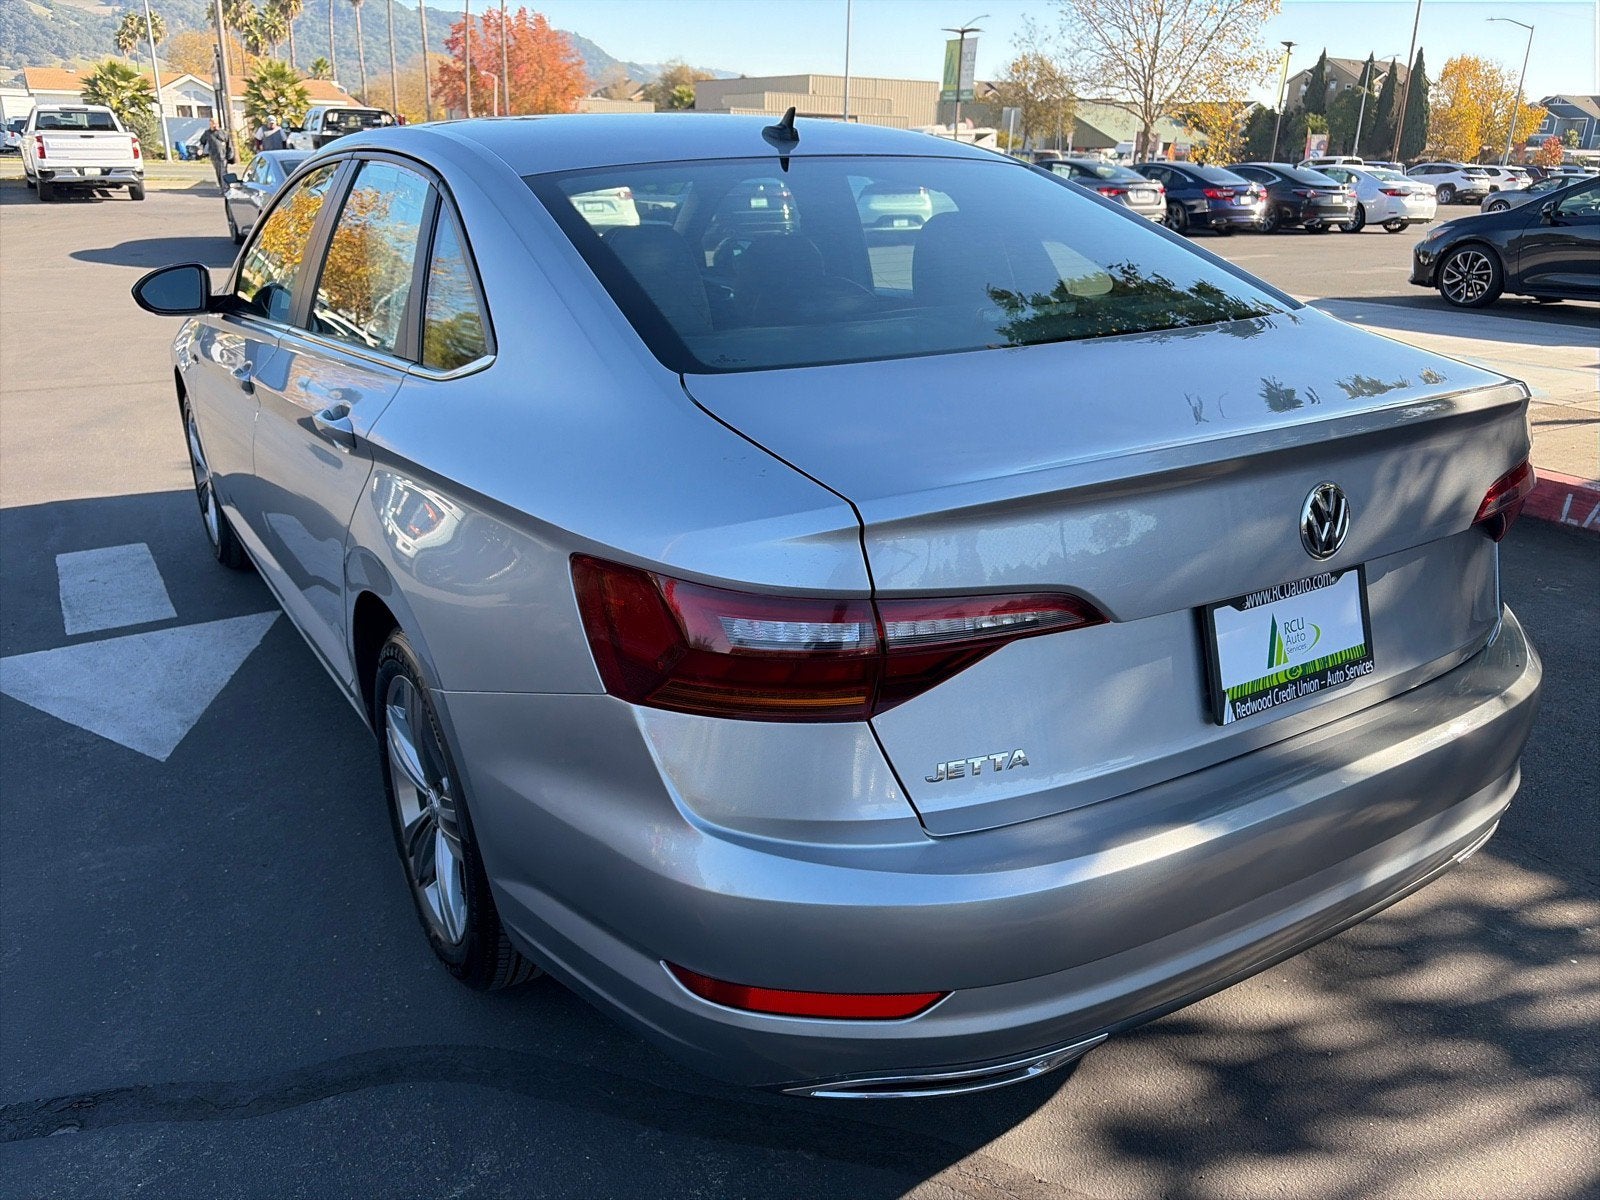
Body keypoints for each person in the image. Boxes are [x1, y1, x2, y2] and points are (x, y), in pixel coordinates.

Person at [198, 119, 233, 190]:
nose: (215, 125)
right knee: (218, 172)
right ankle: (222, 187)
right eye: (213, 124)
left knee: (223, 172)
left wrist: (230, 156)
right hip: (214, 156)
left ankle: (225, 188)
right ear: (210, 124)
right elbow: (202, 142)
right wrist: (200, 149)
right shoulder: (207, 133)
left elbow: (229, 144)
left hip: (223, 156)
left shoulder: (223, 132)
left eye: (216, 124)